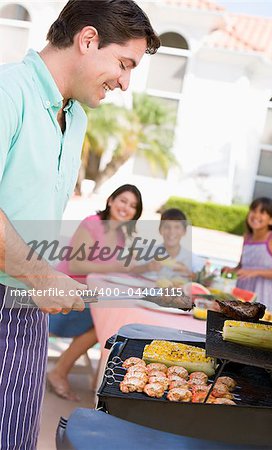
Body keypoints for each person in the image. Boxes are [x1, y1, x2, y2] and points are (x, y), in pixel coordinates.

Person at [0, 0, 159, 447]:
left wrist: (39, 279)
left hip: (27, 307)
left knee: (15, 435)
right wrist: (41, 274)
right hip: (24, 287)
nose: (126, 83)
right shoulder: (7, 92)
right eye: (125, 64)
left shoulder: (77, 119)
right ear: (88, 40)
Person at [48, 184, 143, 400]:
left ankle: (97, 379)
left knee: (112, 319)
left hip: (88, 296)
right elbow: (76, 266)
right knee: (104, 325)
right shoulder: (92, 223)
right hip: (65, 294)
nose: (126, 208)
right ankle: (59, 373)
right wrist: (119, 267)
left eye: (133, 206)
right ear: (111, 200)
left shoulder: (119, 236)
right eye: (123, 201)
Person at [222, 197, 272, 311]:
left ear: (271, 220)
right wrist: (231, 270)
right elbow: (242, 266)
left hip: (262, 296)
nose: (256, 215)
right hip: (241, 294)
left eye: (262, 212)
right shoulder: (247, 237)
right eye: (253, 211)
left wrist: (255, 272)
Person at [140, 208, 206, 281]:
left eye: (177, 227)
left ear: (184, 231)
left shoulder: (193, 260)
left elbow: (204, 281)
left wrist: (187, 272)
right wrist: (146, 267)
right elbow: (130, 270)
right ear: (160, 230)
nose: (171, 232)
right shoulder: (147, 253)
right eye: (167, 227)